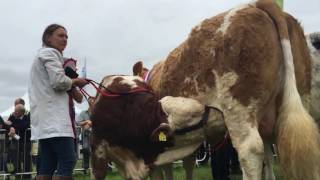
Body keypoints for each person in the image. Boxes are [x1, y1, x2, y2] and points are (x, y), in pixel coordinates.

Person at [28, 24, 88, 180]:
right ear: (48, 38)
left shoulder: (42, 55)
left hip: (45, 121)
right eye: (60, 35)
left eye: (66, 36)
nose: (65, 39)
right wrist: (76, 81)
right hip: (55, 120)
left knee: (47, 164)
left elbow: (62, 86)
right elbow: (58, 81)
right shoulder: (50, 53)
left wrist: (72, 84)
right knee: (68, 159)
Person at [5, 104, 32, 179]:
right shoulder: (12, 116)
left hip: (25, 141)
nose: (14, 112)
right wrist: (11, 127)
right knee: (15, 158)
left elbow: (24, 126)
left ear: (21, 112)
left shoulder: (27, 117)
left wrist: (13, 125)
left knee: (26, 158)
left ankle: (26, 175)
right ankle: (18, 174)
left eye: (16, 111)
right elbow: (6, 124)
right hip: (15, 141)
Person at [76, 97, 95, 173]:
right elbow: (78, 122)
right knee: (86, 149)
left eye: (93, 99)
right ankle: (85, 167)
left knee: (100, 150)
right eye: (90, 99)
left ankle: (106, 168)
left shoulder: (98, 112)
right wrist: (86, 122)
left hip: (97, 135)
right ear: (88, 102)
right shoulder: (83, 113)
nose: (92, 101)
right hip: (86, 134)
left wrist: (91, 123)